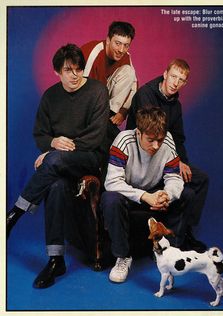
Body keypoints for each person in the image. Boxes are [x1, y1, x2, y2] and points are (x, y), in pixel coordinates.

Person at [6, 43, 110, 288]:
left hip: (91, 159)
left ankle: (14, 214)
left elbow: (95, 137)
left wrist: (54, 151)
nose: (74, 75)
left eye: (78, 69)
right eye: (68, 70)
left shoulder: (97, 91)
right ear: (57, 72)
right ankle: (56, 260)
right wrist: (52, 142)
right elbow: (40, 134)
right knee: (55, 187)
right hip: (60, 165)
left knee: (54, 160)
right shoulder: (50, 97)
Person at [100, 105, 200, 283]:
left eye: (159, 140)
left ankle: (167, 249)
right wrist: (145, 196)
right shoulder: (123, 140)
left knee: (188, 194)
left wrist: (166, 194)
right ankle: (123, 256)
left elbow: (174, 178)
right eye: (151, 140)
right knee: (110, 198)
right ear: (138, 133)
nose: (156, 145)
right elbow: (112, 182)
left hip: (155, 191)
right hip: (128, 193)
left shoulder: (167, 140)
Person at [126, 59, 209, 251]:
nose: (175, 83)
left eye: (181, 80)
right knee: (179, 181)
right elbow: (152, 132)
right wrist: (174, 161)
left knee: (200, 180)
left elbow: (177, 138)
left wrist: (182, 162)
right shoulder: (145, 94)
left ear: (185, 83)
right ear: (165, 74)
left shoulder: (176, 105)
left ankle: (185, 231)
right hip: (143, 154)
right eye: (173, 76)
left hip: (165, 156)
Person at [81, 21, 137, 143]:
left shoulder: (126, 56)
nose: (121, 50)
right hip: (85, 103)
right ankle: (102, 124)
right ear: (108, 40)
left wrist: (123, 112)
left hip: (104, 106)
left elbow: (134, 86)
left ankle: (107, 120)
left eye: (126, 45)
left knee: (129, 72)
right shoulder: (93, 51)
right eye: (118, 43)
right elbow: (80, 86)